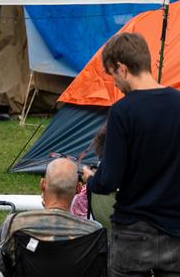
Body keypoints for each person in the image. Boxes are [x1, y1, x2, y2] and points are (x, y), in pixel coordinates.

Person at [82, 32, 180, 276]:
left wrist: (90, 178)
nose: (114, 83)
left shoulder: (122, 112)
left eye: (112, 75)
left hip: (133, 231)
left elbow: (109, 180)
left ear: (121, 68)